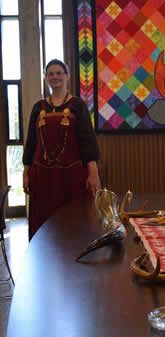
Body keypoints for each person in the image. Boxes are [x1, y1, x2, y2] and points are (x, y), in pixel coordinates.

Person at [23, 59, 100, 239]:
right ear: (45, 78)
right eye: (50, 74)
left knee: (74, 221)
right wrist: (26, 172)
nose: (55, 77)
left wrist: (93, 172)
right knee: (43, 223)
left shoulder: (77, 105)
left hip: (71, 176)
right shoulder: (38, 107)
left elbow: (87, 140)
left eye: (59, 73)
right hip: (42, 176)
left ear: (67, 76)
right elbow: (31, 142)